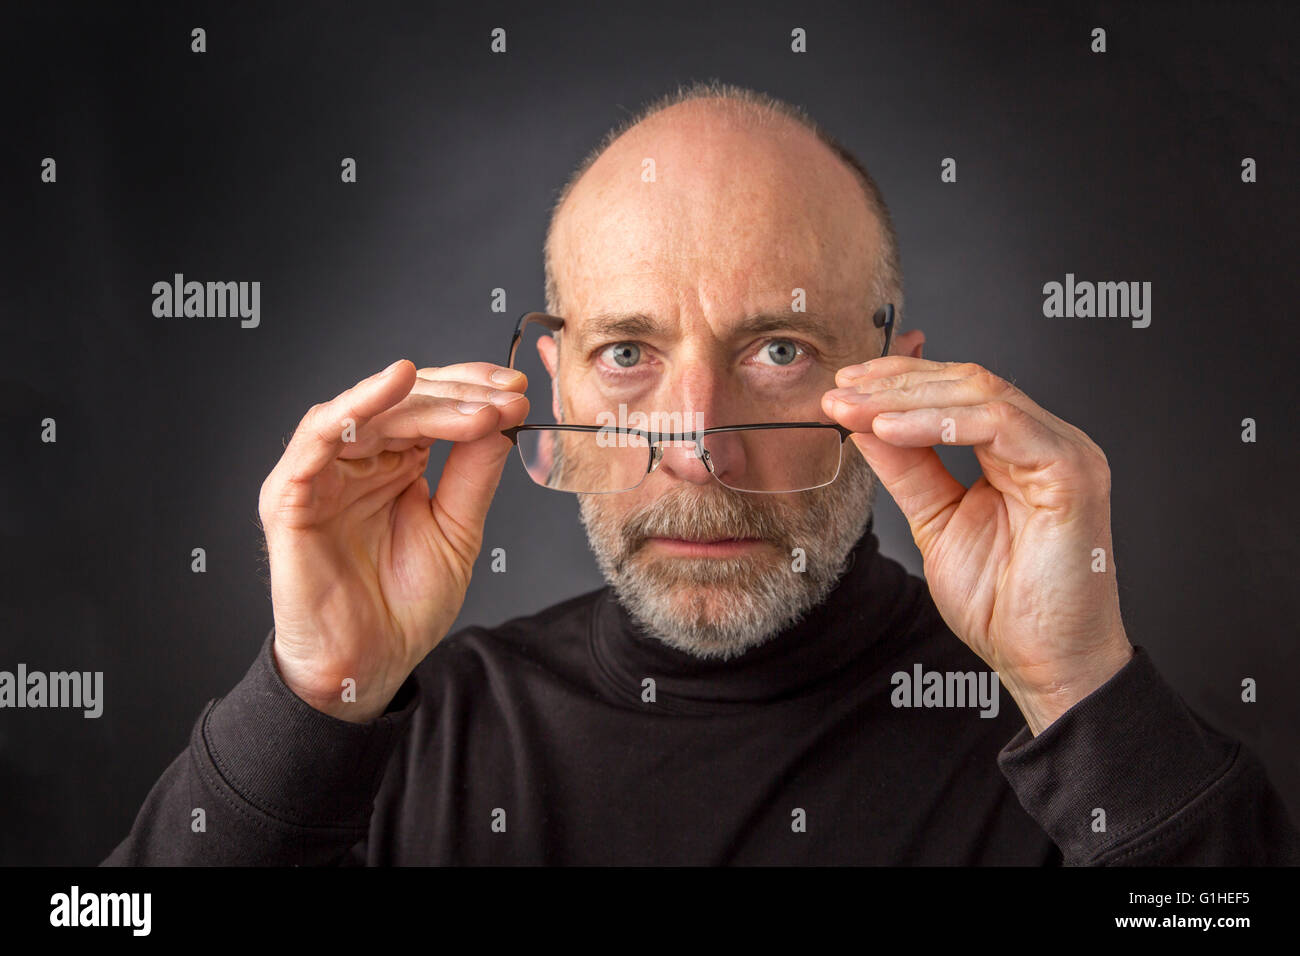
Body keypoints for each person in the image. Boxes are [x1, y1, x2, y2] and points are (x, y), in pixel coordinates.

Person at [104, 81, 1299, 865]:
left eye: (777, 351)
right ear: (559, 393)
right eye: (628, 353)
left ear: (894, 383)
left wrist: (1086, 689)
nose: (698, 444)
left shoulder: (1062, 752)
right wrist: (309, 695)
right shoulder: (413, 733)